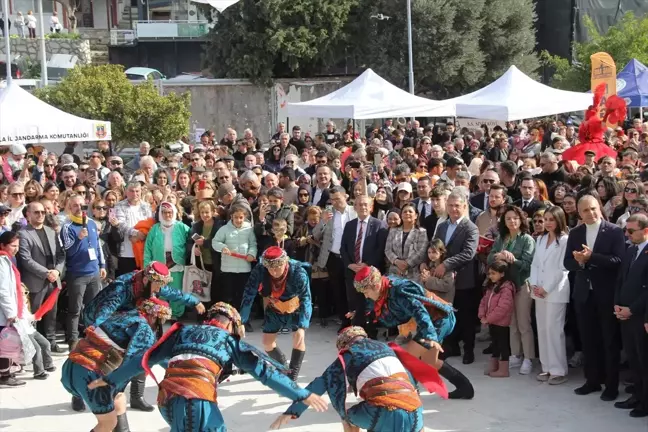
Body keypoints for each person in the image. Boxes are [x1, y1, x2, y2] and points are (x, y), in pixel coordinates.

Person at [89, 302, 328, 432]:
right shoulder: (227, 340)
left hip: (166, 400)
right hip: (197, 401)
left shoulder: (181, 331)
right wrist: (302, 394)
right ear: (231, 325)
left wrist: (111, 379)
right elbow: (265, 373)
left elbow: (144, 359)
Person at [271, 326, 446, 432]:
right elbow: (411, 384)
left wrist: (293, 411)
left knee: (346, 415)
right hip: (415, 415)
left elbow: (319, 385)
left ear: (344, 345)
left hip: (382, 414)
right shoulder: (388, 349)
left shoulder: (348, 355)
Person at [83, 262, 205, 412]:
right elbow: (103, 313)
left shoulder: (151, 283)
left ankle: (136, 396)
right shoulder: (122, 287)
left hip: (127, 318)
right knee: (103, 358)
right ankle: (79, 393)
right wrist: (97, 334)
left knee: (143, 350)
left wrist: (194, 301)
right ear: (148, 280)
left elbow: (171, 292)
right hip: (100, 320)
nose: (159, 290)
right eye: (158, 285)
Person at [352, 266, 474, 400]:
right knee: (429, 361)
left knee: (409, 358)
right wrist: (359, 315)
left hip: (438, 320)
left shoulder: (400, 290)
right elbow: (373, 309)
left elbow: (420, 312)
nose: (366, 295)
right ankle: (465, 387)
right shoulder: (382, 288)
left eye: (366, 292)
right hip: (427, 322)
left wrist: (430, 337)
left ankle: (410, 396)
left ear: (375, 286)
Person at [61, 298, 171, 432]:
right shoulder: (144, 330)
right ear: (155, 317)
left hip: (71, 365)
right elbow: (151, 358)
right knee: (108, 423)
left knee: (118, 396)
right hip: (90, 373)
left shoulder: (123, 315)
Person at [564, 195, 625, 401]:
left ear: (599, 207)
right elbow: (567, 263)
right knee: (588, 340)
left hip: (606, 294)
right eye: (585, 211)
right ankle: (592, 380)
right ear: (579, 213)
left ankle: (611, 385)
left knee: (609, 340)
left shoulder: (614, 231)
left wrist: (592, 258)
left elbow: (618, 260)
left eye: (593, 209)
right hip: (583, 294)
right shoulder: (576, 233)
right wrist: (580, 262)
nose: (590, 213)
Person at [239, 247, 311, 381]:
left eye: (278, 267)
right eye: (270, 268)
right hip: (274, 308)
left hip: (296, 309)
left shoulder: (298, 272)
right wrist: (242, 320)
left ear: (285, 263)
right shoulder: (260, 270)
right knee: (267, 343)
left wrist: (302, 326)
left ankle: (292, 376)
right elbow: (249, 293)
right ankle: (283, 366)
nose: (274, 271)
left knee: (298, 338)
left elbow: (306, 298)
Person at [487, 205, 536, 375]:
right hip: (505, 287)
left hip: (522, 285)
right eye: (508, 218)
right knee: (512, 323)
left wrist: (512, 259)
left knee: (524, 323)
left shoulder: (527, 239)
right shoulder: (502, 238)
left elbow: (528, 265)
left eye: (515, 218)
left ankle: (529, 358)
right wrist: (498, 255)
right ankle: (516, 354)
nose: (512, 221)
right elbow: (489, 257)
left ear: (521, 219)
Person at [434, 190, 479, 364]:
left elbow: (468, 253)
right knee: (447, 314)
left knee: (466, 317)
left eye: (457, 206)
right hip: (444, 280)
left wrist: (446, 264)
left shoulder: (470, 228)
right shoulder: (442, 226)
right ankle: (452, 347)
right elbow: (436, 247)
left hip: (463, 279)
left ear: (464, 206)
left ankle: (469, 350)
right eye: (451, 205)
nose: (453, 209)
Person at [17, 202, 66, 353]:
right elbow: (26, 259)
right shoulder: (23, 234)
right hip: (35, 281)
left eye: (43, 212)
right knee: (35, 316)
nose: (40, 215)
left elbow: (61, 254)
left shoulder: (51, 231)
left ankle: (51, 342)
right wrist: (46, 273)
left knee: (51, 313)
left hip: (53, 280)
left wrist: (57, 271)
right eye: (36, 212)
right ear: (28, 215)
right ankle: (35, 347)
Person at [529, 206, 570, 385]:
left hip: (555, 292)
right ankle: (546, 367)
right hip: (539, 291)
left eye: (551, 219)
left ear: (559, 220)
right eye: (545, 219)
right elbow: (535, 264)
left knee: (554, 330)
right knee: (543, 329)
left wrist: (546, 288)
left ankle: (558, 369)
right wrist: (535, 285)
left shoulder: (565, 240)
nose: (547, 223)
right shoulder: (540, 239)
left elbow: (562, 269)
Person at [60, 194, 106, 352]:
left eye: (82, 205)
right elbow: (67, 251)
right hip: (78, 274)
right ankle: (73, 339)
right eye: (75, 205)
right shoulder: (67, 227)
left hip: (94, 272)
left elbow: (97, 246)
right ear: (70, 207)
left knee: (92, 309)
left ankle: (92, 338)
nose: (79, 208)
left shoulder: (92, 223)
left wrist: (102, 264)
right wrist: (79, 238)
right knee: (75, 309)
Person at [613, 213, 648, 417]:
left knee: (643, 360)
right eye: (626, 230)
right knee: (633, 358)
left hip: (639, 315)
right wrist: (617, 304)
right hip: (625, 314)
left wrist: (632, 309)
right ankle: (636, 395)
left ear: (645, 231)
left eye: (631, 231)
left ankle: (645, 402)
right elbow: (620, 279)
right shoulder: (630, 250)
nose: (627, 234)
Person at [341, 195, 388, 330]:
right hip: (352, 271)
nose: (362, 207)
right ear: (355, 207)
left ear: (371, 207)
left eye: (365, 204)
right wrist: (349, 264)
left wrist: (367, 264)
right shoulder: (350, 225)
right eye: (359, 204)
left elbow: (380, 249)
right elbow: (343, 247)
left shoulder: (379, 225)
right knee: (354, 302)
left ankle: (370, 332)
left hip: (370, 272)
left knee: (370, 303)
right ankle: (356, 331)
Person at [144, 202, 190, 318]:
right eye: (164, 212)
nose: (167, 215)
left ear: (174, 213)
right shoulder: (154, 229)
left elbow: (192, 241)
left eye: (170, 212)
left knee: (177, 291)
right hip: (159, 267)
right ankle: (162, 314)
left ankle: (176, 315)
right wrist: (146, 265)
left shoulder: (182, 227)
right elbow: (148, 248)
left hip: (177, 264)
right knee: (161, 291)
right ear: (160, 214)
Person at [211, 205, 257, 318]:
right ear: (231, 216)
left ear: (244, 217)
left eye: (241, 217)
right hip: (228, 269)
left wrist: (251, 254)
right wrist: (222, 247)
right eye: (236, 217)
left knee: (242, 295)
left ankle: (243, 319)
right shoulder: (224, 229)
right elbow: (215, 242)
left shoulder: (249, 229)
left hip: (244, 268)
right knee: (228, 295)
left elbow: (253, 244)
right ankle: (229, 319)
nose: (238, 220)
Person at [478, 260, 515, 377]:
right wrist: (482, 315)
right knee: (494, 344)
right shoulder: (492, 287)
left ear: (502, 273)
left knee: (503, 345)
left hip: (501, 323)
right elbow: (484, 301)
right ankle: (494, 366)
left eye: (493, 273)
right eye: (489, 273)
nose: (490, 276)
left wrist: (488, 319)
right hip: (492, 322)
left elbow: (502, 308)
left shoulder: (507, 289)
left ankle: (504, 369)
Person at [384, 202, 427, 281]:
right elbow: (388, 250)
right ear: (401, 215)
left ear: (416, 215)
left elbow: (421, 252)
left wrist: (406, 264)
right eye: (404, 211)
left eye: (410, 211)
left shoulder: (422, 232)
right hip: (394, 272)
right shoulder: (393, 231)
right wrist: (397, 262)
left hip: (414, 274)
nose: (407, 213)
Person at [419, 238, 455, 303]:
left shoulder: (447, 267)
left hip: (443, 303)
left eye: (434, 252)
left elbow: (447, 285)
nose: (431, 255)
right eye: (429, 252)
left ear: (441, 252)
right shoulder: (429, 266)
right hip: (430, 302)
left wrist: (429, 279)